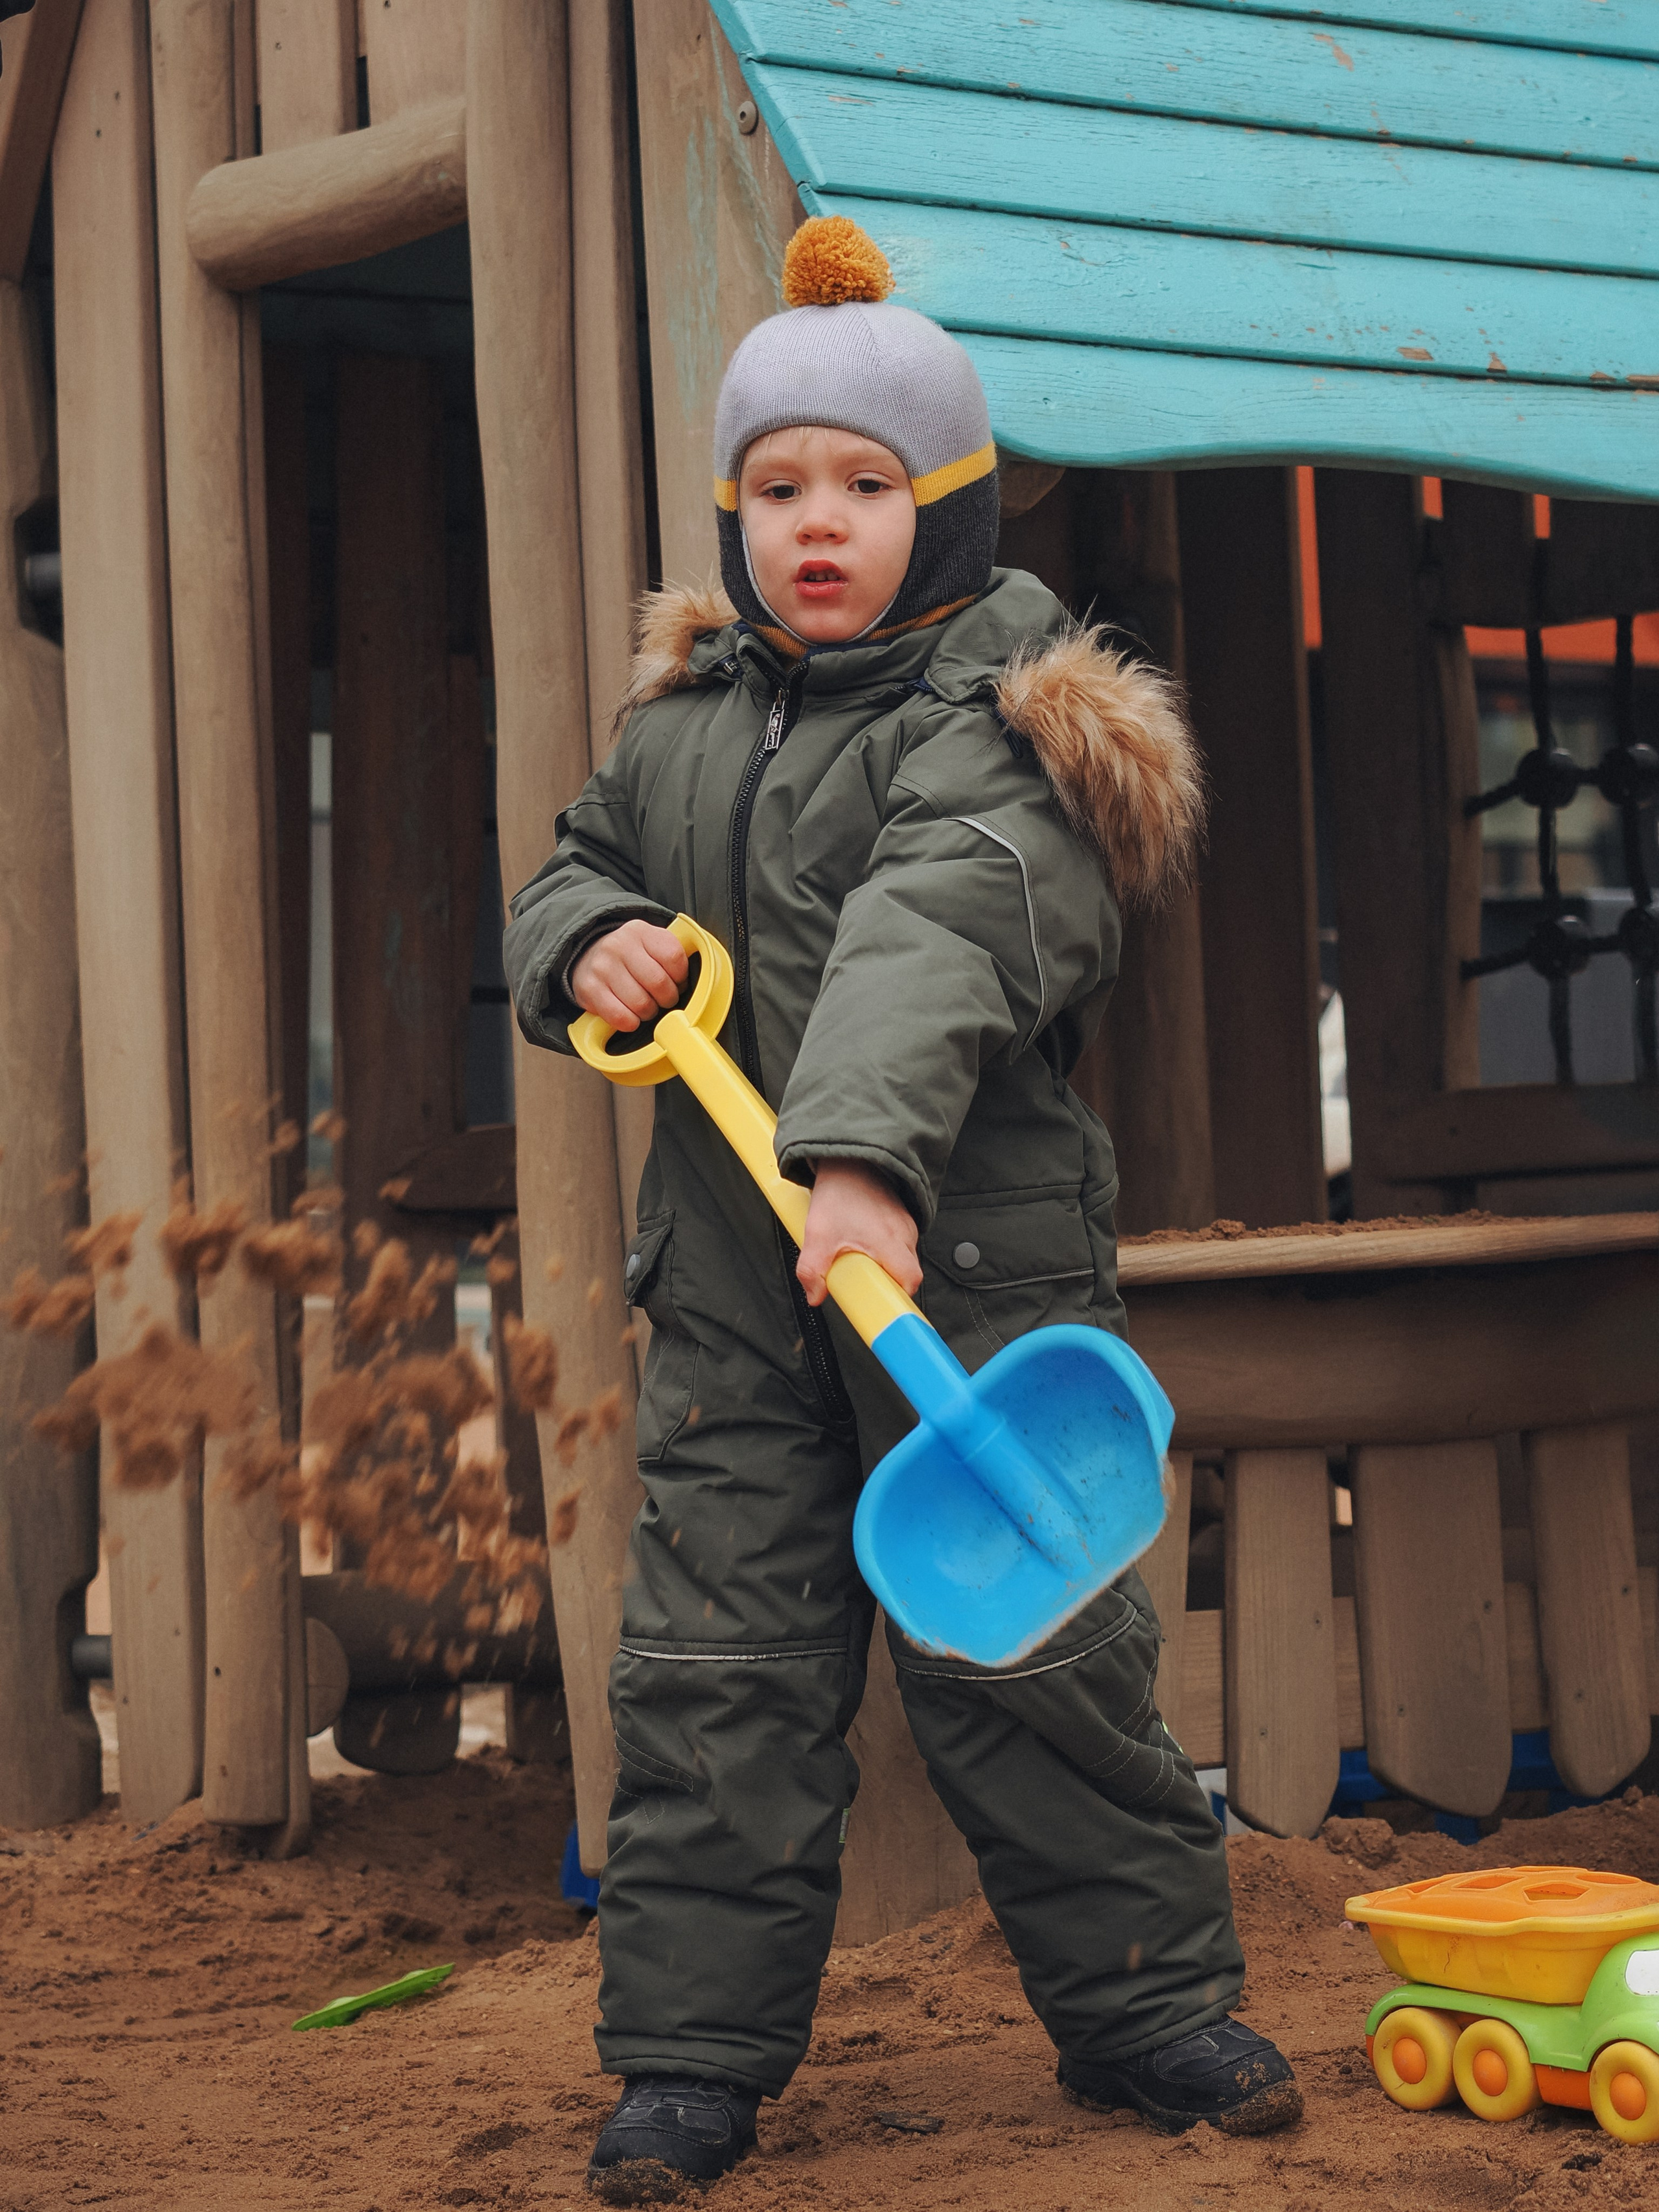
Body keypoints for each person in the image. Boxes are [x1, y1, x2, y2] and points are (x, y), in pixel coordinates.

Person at [504, 216, 1299, 2205]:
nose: (817, 526)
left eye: (865, 487)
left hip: (959, 1280)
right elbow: (570, 867)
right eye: (778, 491)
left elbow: (935, 935)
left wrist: (856, 1165)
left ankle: (1141, 2010)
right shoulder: (676, 727)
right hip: (734, 1298)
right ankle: (690, 2060)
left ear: (948, 510)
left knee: (1031, 1654)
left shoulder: (1011, 732)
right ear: (734, 511)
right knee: (714, 1672)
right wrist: (587, 938)